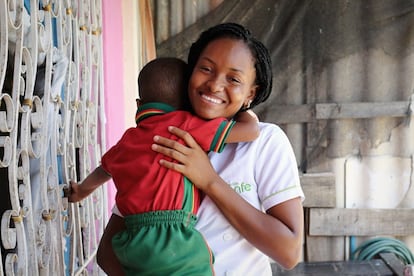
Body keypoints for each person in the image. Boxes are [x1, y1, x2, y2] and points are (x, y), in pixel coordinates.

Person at [97, 22, 305, 276]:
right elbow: (107, 253)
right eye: (206, 69)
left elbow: (289, 252)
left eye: (234, 78)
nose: (215, 85)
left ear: (251, 92)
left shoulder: (264, 143)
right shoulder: (163, 141)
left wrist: (209, 181)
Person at [68, 57, 260, 275]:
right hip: (175, 239)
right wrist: (245, 110)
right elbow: (251, 131)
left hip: (131, 241)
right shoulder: (185, 125)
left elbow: (103, 170)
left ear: (140, 105)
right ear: (186, 103)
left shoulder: (127, 140)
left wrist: (82, 190)